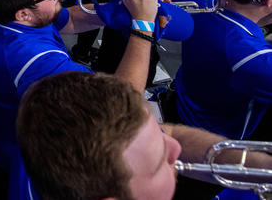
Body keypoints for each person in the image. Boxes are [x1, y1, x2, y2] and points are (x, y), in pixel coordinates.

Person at [0, 0, 162, 196]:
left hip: (7, 131)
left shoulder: (2, 10)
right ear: (24, 14)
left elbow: (70, 19)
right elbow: (123, 102)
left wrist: (121, 9)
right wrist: (143, 25)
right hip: (27, 154)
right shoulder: (36, 61)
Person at [17, 71, 272, 200]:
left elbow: (169, 133)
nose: (175, 146)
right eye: (159, 162)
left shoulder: (55, 150)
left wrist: (259, 164)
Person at [171, 0, 272, 142]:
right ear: (269, 0)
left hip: (181, 108)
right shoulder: (251, 58)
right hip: (211, 144)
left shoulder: (203, 2)